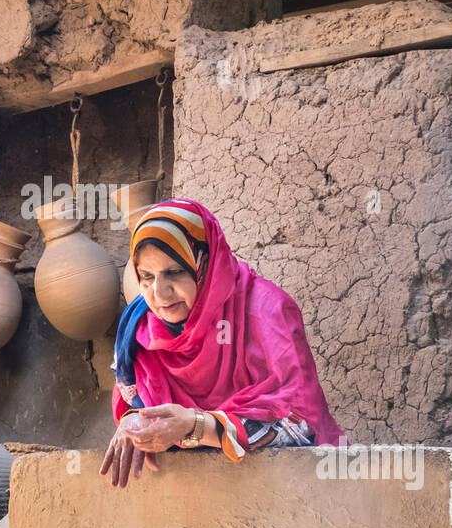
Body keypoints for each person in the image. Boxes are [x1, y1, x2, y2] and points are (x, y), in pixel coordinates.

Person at [100, 197, 343, 487]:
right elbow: (133, 398)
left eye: (175, 272)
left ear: (205, 261)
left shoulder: (266, 311)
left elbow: (301, 424)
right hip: (195, 500)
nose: (160, 293)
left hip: (294, 493)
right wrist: (134, 422)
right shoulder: (139, 331)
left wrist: (198, 425)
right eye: (146, 277)